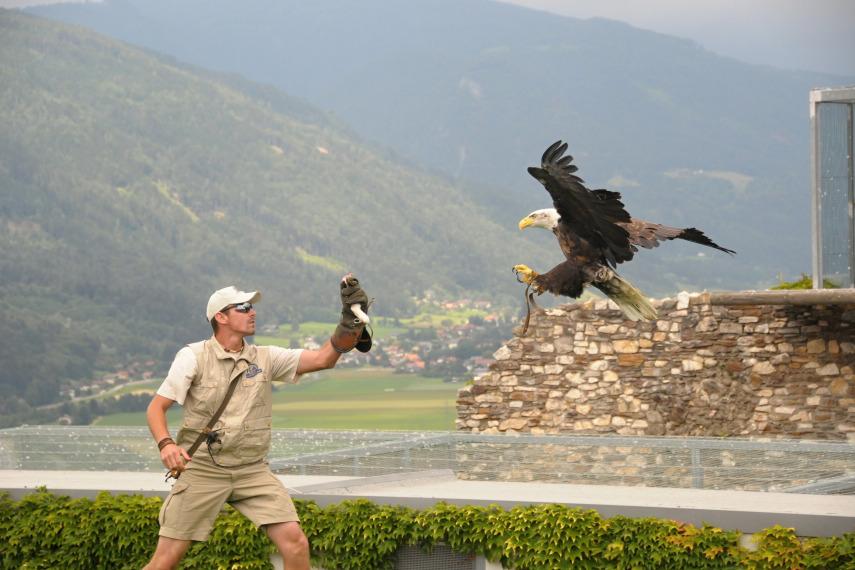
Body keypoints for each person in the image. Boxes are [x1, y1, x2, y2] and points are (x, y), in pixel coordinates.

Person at [143, 275, 370, 570]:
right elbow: (156, 408)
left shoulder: (265, 357)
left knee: (296, 544)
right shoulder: (193, 356)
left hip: (252, 469)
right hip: (202, 469)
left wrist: (351, 322)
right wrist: (166, 444)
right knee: (165, 560)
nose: (252, 312)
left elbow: (323, 359)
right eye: (243, 307)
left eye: (252, 307)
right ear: (221, 317)